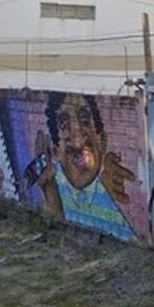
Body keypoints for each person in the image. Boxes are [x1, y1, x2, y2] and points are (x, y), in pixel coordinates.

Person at [27, 92, 135, 240]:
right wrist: (48, 186)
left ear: (102, 140)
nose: (77, 138)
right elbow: (57, 227)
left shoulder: (112, 184)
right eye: (64, 125)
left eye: (85, 121)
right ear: (56, 151)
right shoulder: (54, 183)